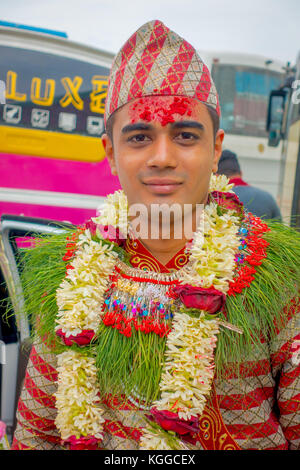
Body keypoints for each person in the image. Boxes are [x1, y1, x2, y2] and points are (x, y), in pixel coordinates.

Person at [11, 20, 300, 451]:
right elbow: (36, 435)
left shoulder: (277, 274)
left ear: (216, 148)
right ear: (111, 153)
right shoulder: (70, 275)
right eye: (140, 137)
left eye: (185, 136)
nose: (162, 158)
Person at [218, 150, 282, 220]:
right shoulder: (267, 197)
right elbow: (282, 229)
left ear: (218, 176)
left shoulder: (216, 199)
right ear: (241, 173)